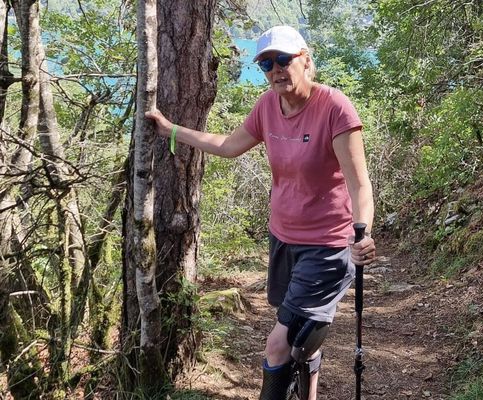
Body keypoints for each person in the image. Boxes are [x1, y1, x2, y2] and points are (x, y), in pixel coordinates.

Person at [146, 25, 376, 400]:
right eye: (267, 63)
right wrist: (170, 130)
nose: (276, 70)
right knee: (299, 336)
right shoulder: (267, 106)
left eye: (284, 60)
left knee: (277, 346)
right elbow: (226, 145)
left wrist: (362, 231)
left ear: (305, 60)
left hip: (327, 246)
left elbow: (359, 184)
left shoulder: (334, 108)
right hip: (283, 238)